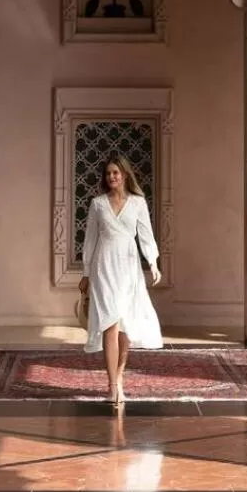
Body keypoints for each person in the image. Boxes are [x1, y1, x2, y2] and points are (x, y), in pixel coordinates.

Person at [80, 156, 164, 407]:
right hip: (103, 267)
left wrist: (153, 262)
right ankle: (111, 386)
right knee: (110, 324)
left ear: (125, 175)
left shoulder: (138, 203)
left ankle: (119, 380)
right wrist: (85, 272)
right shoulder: (97, 204)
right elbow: (90, 240)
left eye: (115, 173)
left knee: (125, 327)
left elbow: (146, 235)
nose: (112, 177)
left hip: (128, 268)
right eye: (108, 174)